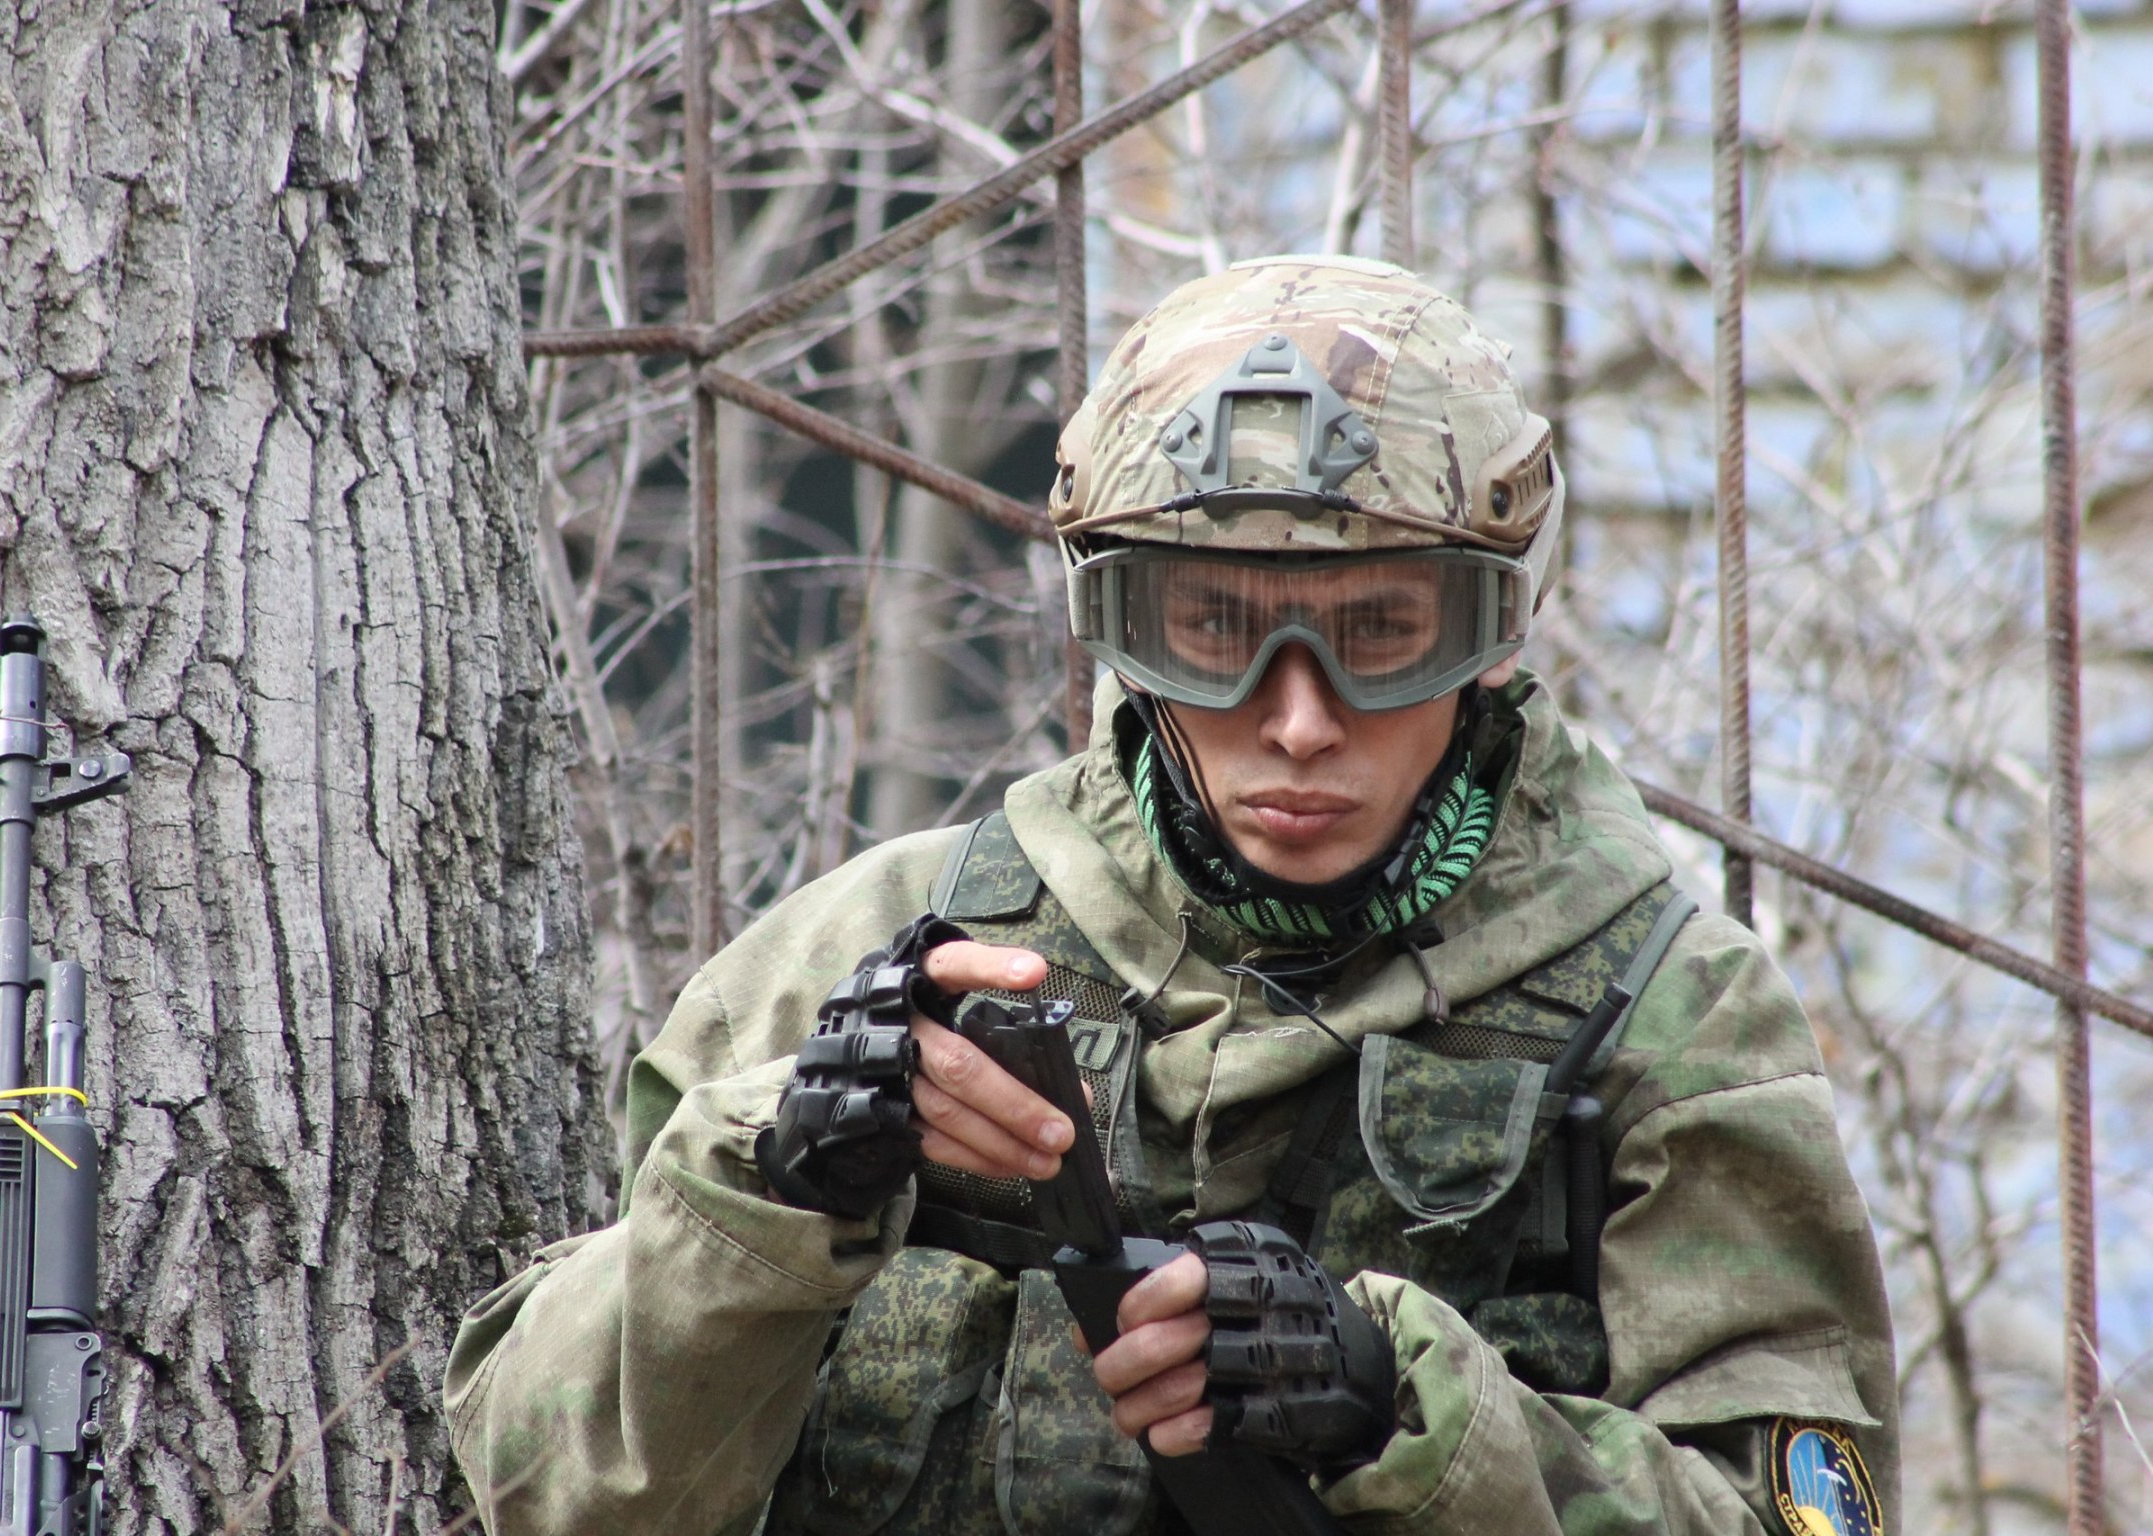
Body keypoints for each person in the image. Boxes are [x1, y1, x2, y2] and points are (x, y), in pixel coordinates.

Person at [444, 256, 1899, 1536]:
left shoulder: (1669, 1018)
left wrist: (1398, 1407)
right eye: (1212, 628)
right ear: (1124, 635)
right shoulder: (874, 948)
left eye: (1381, 632)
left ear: (1495, 636)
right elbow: (552, 1494)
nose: (1300, 723)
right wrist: (782, 1172)